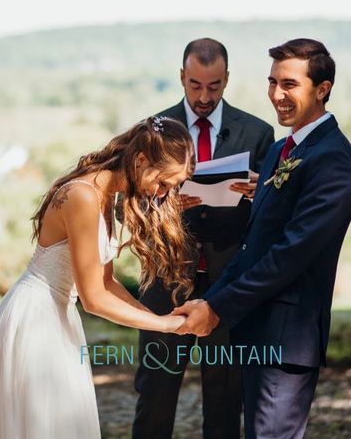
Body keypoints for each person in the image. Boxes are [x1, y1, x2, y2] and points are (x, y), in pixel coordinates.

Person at [0, 116, 196, 439]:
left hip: (59, 318)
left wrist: (159, 318)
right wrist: (168, 326)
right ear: (141, 161)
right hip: (35, 320)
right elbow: (94, 298)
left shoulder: (105, 196)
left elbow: (108, 282)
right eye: (165, 182)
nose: (164, 193)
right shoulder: (83, 197)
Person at [174, 38, 351, 439]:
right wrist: (208, 301)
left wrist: (218, 307)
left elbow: (289, 255)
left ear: (322, 89)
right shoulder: (281, 151)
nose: (277, 95)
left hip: (286, 337)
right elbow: (252, 247)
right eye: (273, 82)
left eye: (290, 84)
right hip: (256, 330)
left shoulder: (333, 159)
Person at [132, 38, 275, 439]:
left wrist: (261, 192)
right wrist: (165, 203)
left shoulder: (258, 133)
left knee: (226, 398)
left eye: (214, 86)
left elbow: (273, 217)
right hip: (166, 282)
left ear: (227, 79)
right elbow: (131, 206)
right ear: (182, 76)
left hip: (228, 283)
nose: (204, 96)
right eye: (195, 85)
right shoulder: (153, 131)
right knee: (155, 396)